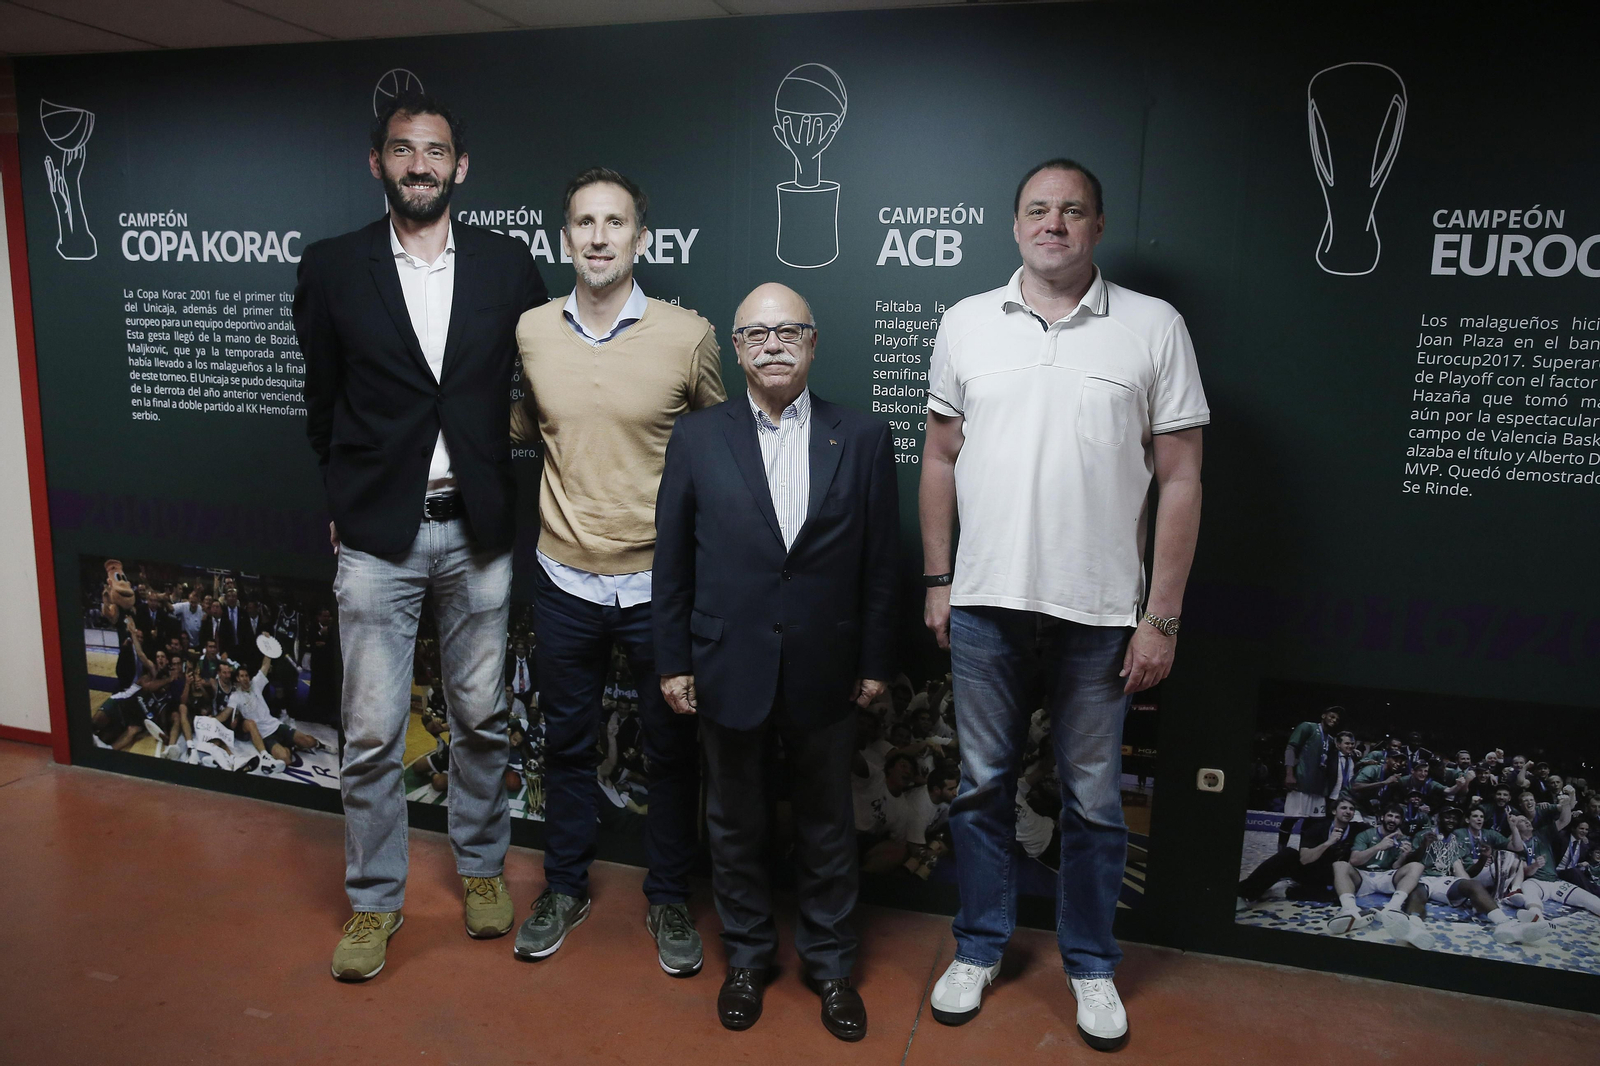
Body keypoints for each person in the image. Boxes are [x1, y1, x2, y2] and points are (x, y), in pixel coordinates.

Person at [919, 158, 1207, 1051]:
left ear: (1098, 224)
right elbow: (937, 458)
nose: (1054, 223)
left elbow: (1183, 475)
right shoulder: (966, 322)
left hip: (1101, 613)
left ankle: (1090, 966)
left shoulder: (1154, 326)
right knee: (980, 792)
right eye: (1038, 210)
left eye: (1072, 210)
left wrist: (1161, 614)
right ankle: (977, 946)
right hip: (985, 602)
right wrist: (938, 577)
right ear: (1015, 225)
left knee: (1091, 802)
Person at [295, 89, 547, 981]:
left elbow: (536, 385)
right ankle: (375, 900)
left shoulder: (509, 266)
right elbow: (322, 403)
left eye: (434, 151)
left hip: (478, 531)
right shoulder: (331, 267)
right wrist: (349, 495)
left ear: (460, 166)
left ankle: (481, 867)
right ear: (378, 163)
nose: (419, 165)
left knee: (482, 715)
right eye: (402, 150)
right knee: (369, 732)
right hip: (377, 539)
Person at [653, 281, 898, 1040]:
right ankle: (750, 961)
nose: (774, 344)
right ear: (735, 348)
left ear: (815, 342)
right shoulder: (697, 438)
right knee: (735, 826)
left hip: (828, 667)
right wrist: (673, 659)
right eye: (757, 334)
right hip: (728, 664)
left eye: (790, 331)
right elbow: (672, 561)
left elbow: (882, 564)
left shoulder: (861, 437)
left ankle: (830, 968)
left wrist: (876, 660)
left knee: (828, 828)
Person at [508, 167, 723, 975]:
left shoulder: (687, 335)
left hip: (660, 589)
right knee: (563, 744)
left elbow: (719, 448)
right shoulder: (531, 331)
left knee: (671, 753)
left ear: (641, 237)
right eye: (585, 223)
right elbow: (529, 424)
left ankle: (668, 898)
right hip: (563, 579)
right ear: (565, 238)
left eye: (615, 222)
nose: (599, 237)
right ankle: (564, 887)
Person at [1238, 797, 1361, 908]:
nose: (1348, 811)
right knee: (1288, 854)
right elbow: (1304, 859)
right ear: (1334, 811)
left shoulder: (1358, 829)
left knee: (1336, 896)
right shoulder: (1317, 828)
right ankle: (1243, 894)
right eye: (1343, 808)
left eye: (1351, 809)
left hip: (1333, 876)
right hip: (1311, 868)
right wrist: (1328, 843)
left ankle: (1283, 891)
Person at [1326, 804, 1425, 935]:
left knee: (1417, 866)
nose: (1393, 820)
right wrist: (1378, 846)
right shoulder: (1366, 834)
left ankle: (1393, 908)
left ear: (1400, 821)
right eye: (1389, 815)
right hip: (1363, 876)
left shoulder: (1403, 839)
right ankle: (1349, 909)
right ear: (1382, 817)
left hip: (1386, 876)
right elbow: (1354, 861)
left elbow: (1395, 867)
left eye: (1397, 817)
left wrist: (1403, 856)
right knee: (1339, 865)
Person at [1280, 707, 1342, 848]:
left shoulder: (1331, 741)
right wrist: (1289, 774)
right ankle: (1280, 851)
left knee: (1313, 823)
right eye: (1331, 716)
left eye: (1337, 719)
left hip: (1318, 788)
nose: (1334, 720)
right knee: (1291, 818)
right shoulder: (1308, 727)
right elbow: (1291, 748)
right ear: (1323, 715)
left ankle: (1304, 853)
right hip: (1300, 783)